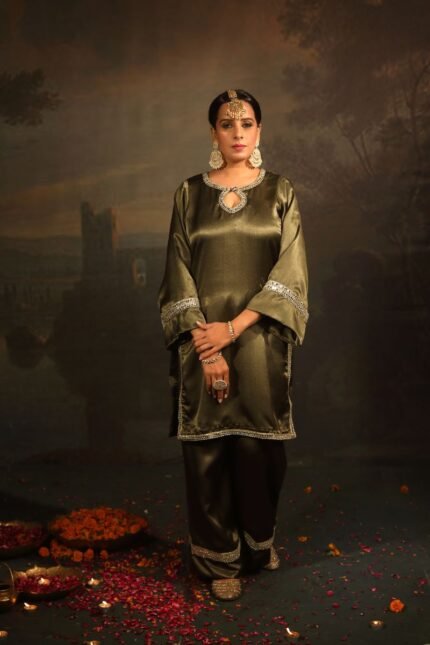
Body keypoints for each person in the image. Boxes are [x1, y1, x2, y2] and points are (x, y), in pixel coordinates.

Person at [158, 89, 309, 601]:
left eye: (247, 123)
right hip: (202, 342)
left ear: (259, 130)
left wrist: (234, 328)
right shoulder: (188, 195)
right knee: (208, 450)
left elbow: (290, 273)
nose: (238, 132)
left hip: (261, 340)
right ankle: (218, 558)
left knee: (257, 449)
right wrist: (209, 345)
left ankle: (257, 543)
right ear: (214, 133)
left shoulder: (281, 192)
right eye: (227, 124)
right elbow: (177, 273)